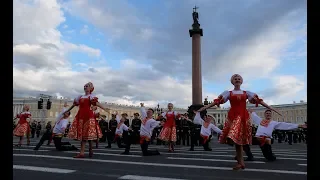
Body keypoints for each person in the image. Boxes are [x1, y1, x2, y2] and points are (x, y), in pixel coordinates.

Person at [197, 74, 281, 170]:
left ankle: (240, 161)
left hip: (243, 117)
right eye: (235, 79)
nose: (237, 80)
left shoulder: (247, 93)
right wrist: (205, 107)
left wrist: (270, 107)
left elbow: (259, 101)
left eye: (239, 79)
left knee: (238, 140)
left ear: (241, 81)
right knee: (237, 139)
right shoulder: (228, 93)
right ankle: (240, 160)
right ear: (232, 82)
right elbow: (217, 102)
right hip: (233, 116)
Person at [68, 82, 110, 158]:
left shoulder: (91, 96)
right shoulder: (80, 97)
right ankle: (85, 152)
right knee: (84, 135)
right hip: (81, 116)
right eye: (84, 86)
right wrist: (67, 110)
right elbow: (74, 105)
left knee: (88, 135)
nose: (85, 87)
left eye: (87, 86)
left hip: (88, 116)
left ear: (91, 88)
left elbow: (96, 103)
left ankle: (85, 151)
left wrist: (104, 108)